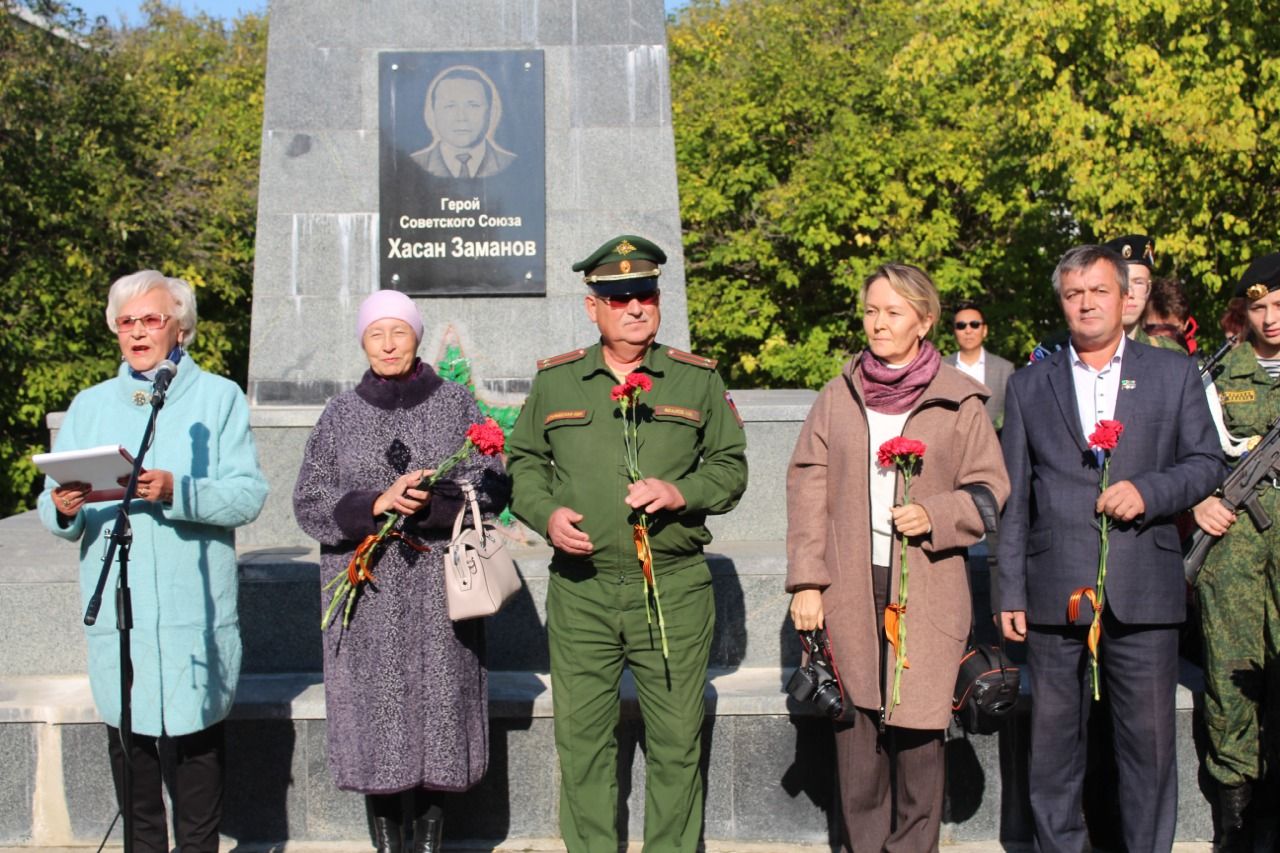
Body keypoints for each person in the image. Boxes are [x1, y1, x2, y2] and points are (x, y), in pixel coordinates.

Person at [506, 235, 748, 853]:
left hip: (670, 590)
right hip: (582, 592)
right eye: (618, 299)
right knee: (583, 745)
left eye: (645, 294)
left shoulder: (695, 381)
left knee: (675, 744)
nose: (635, 307)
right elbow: (523, 462)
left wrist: (679, 492)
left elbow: (730, 470)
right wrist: (545, 512)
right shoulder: (558, 382)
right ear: (593, 308)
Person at [996, 244, 1223, 852]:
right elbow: (1015, 497)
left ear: (1126, 299)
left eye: (1098, 291)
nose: (1086, 304)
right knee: (1052, 751)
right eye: (1073, 293)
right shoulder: (1026, 386)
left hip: (1143, 589)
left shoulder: (1173, 374)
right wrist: (1009, 589)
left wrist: (1147, 492)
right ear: (1062, 302)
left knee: (1148, 750)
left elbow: (1205, 464)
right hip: (1053, 592)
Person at [37, 270, 268, 853]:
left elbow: (248, 496)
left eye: (152, 319)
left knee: (196, 769)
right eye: (127, 321)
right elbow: (54, 506)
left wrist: (175, 490)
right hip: (122, 615)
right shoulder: (88, 406)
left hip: (194, 614)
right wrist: (63, 506)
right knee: (134, 768)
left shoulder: (219, 398)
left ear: (180, 328)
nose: (138, 332)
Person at [787, 263, 1009, 852]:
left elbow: (991, 490)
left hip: (929, 584)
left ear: (924, 321)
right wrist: (807, 581)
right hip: (851, 586)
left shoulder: (959, 401)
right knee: (857, 735)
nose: (878, 323)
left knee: (918, 733)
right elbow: (807, 486)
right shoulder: (838, 396)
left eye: (893, 312)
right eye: (870, 311)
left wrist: (936, 514)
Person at [293, 290, 509, 853]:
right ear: (362, 342)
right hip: (368, 592)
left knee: (441, 707)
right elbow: (310, 501)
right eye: (375, 335)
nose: (388, 345)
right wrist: (374, 506)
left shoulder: (457, 403)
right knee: (375, 713)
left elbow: (493, 483)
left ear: (416, 335)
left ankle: (433, 839)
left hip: (441, 589)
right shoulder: (340, 414)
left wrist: (431, 505)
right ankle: (388, 844)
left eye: (399, 333)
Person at [1191, 251, 1280, 849]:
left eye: (1278, 304)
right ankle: (1236, 822)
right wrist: (1195, 501)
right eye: (1258, 306)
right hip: (1234, 549)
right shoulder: (1215, 374)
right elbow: (1183, 453)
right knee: (1229, 683)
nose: (1270, 317)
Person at [409, 65, 516, 179]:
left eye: (473, 106)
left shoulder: (510, 163)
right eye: (450, 106)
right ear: (433, 113)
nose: (461, 117)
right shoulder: (413, 165)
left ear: (490, 112)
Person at [1104, 233, 1184, 351]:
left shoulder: (1169, 354)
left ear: (1148, 289)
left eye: (1138, 282)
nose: (1129, 293)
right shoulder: (1074, 352)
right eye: (1121, 282)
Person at [943, 300, 1015, 429]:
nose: (968, 330)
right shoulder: (940, 368)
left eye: (974, 324)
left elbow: (1012, 416)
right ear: (954, 331)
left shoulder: (1004, 369)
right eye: (961, 325)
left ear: (985, 330)